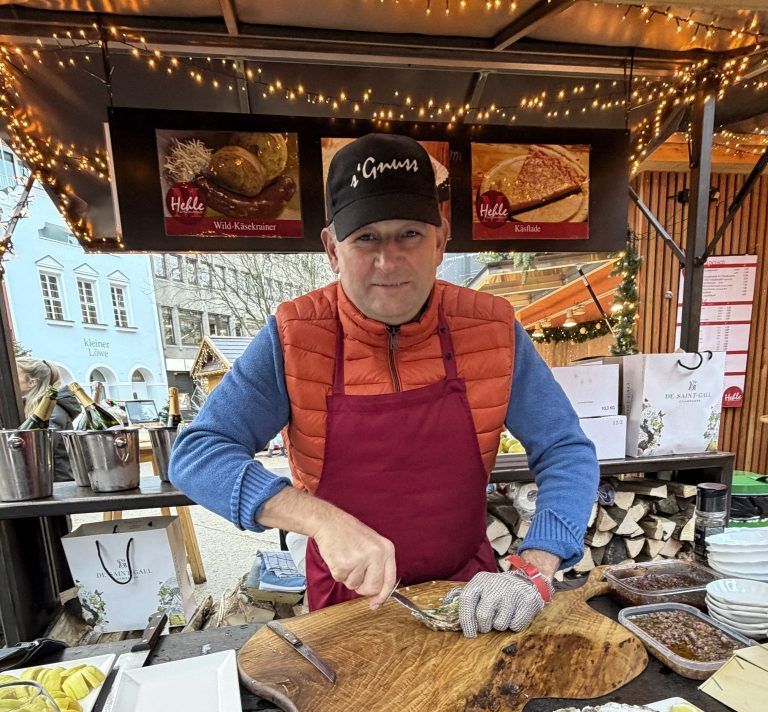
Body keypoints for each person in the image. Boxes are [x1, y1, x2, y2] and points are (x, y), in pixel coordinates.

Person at [170, 134, 599, 638]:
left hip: (468, 592)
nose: (388, 261)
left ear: (440, 241)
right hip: (346, 606)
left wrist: (538, 561)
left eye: (409, 235)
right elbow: (197, 454)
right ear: (333, 249)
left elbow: (566, 449)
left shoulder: (493, 328)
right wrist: (322, 521)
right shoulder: (294, 335)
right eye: (366, 238)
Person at [16, 357, 80, 481]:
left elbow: (40, 449)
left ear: (32, 382)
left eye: (16, 374)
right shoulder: (33, 408)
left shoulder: (52, 410)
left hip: (57, 485)